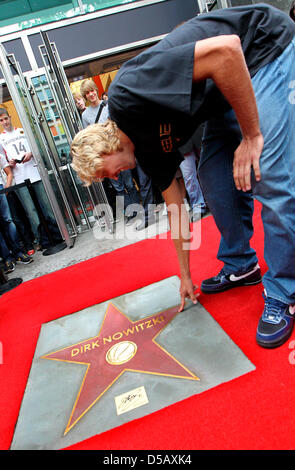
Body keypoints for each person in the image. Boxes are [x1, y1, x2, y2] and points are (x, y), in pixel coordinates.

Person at [71, 4, 295, 349]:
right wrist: (185, 276)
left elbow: (227, 51)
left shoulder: (128, 93)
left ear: (104, 150)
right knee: (213, 178)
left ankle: (284, 292)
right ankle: (241, 264)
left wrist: (251, 136)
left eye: (105, 172)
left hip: (260, 49)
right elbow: (177, 211)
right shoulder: (144, 153)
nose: (113, 178)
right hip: (221, 94)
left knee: (270, 176)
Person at [80, 79, 154, 229]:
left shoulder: (109, 105)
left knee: (133, 183)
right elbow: (89, 138)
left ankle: (143, 212)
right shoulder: (86, 115)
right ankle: (132, 212)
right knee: (119, 187)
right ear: (85, 96)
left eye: (92, 90)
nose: (91, 94)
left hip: (123, 149)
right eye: (87, 93)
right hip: (107, 157)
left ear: (96, 90)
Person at [0, 108, 62, 249]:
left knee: (47, 206)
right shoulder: (1, 139)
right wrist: (11, 163)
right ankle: (43, 240)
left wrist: (30, 153)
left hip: (34, 172)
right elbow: (4, 161)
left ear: (10, 117)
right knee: (31, 211)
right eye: (1, 120)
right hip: (19, 178)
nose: (5, 122)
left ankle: (57, 234)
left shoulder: (22, 131)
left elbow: (36, 148)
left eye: (6, 118)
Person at [0, 154, 33, 273]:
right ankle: (7, 258)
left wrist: (6, 190)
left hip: (1, 190)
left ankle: (18, 253)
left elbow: (9, 173)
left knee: (8, 221)